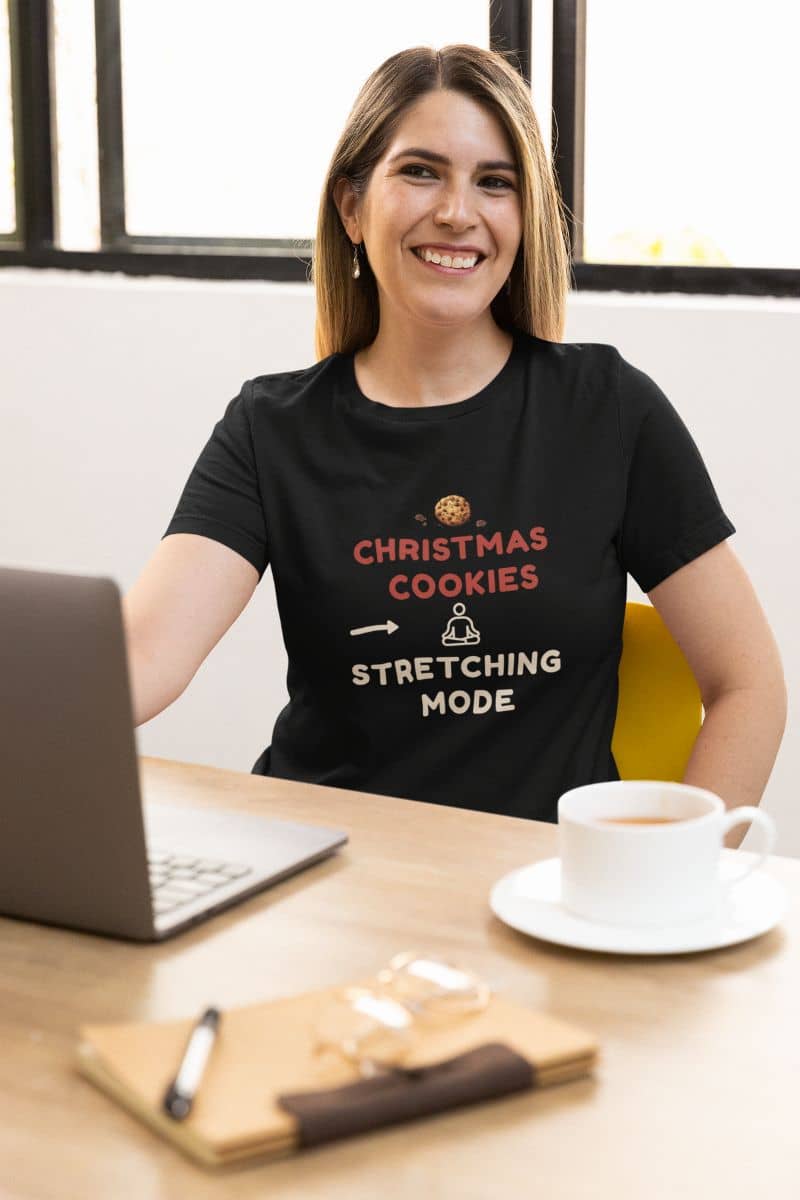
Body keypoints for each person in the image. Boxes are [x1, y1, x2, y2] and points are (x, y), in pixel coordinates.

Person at [122, 44, 786, 842]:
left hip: (543, 893)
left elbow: (749, 683)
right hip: (325, 881)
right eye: (421, 172)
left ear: (523, 216)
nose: (457, 212)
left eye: (494, 182)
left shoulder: (607, 410)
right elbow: (139, 660)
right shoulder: (272, 428)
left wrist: (682, 875)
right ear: (351, 207)